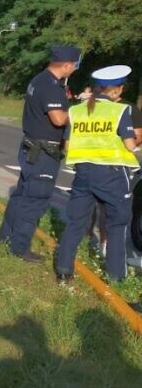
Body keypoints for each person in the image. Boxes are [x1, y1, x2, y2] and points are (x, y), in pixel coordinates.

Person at [54, 65, 139, 284]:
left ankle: (63, 271)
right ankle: (116, 278)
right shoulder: (120, 111)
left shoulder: (77, 110)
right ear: (117, 91)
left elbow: (66, 146)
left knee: (75, 222)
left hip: (83, 174)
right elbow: (130, 145)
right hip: (112, 175)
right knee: (117, 225)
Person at [0, 44, 81, 261]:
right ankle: (20, 247)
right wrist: (80, 111)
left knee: (20, 196)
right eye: (74, 66)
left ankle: (5, 238)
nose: (74, 69)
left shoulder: (39, 79)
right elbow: (58, 119)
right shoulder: (52, 87)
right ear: (67, 65)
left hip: (31, 147)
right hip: (43, 153)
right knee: (35, 199)